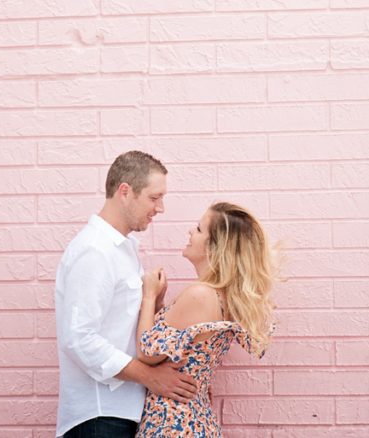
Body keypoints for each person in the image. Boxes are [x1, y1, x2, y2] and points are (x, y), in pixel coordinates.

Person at [55, 150, 198, 438]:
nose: (160, 208)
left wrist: (153, 302)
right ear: (125, 192)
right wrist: (150, 377)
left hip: (118, 413)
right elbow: (79, 338)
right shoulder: (95, 251)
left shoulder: (124, 248)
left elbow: (118, 328)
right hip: (98, 416)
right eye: (154, 197)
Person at [135, 202, 276, 436]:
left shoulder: (200, 295)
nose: (191, 232)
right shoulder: (222, 297)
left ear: (215, 247)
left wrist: (148, 297)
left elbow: (147, 352)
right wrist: (160, 305)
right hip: (194, 419)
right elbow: (179, 349)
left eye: (199, 229)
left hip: (173, 423)